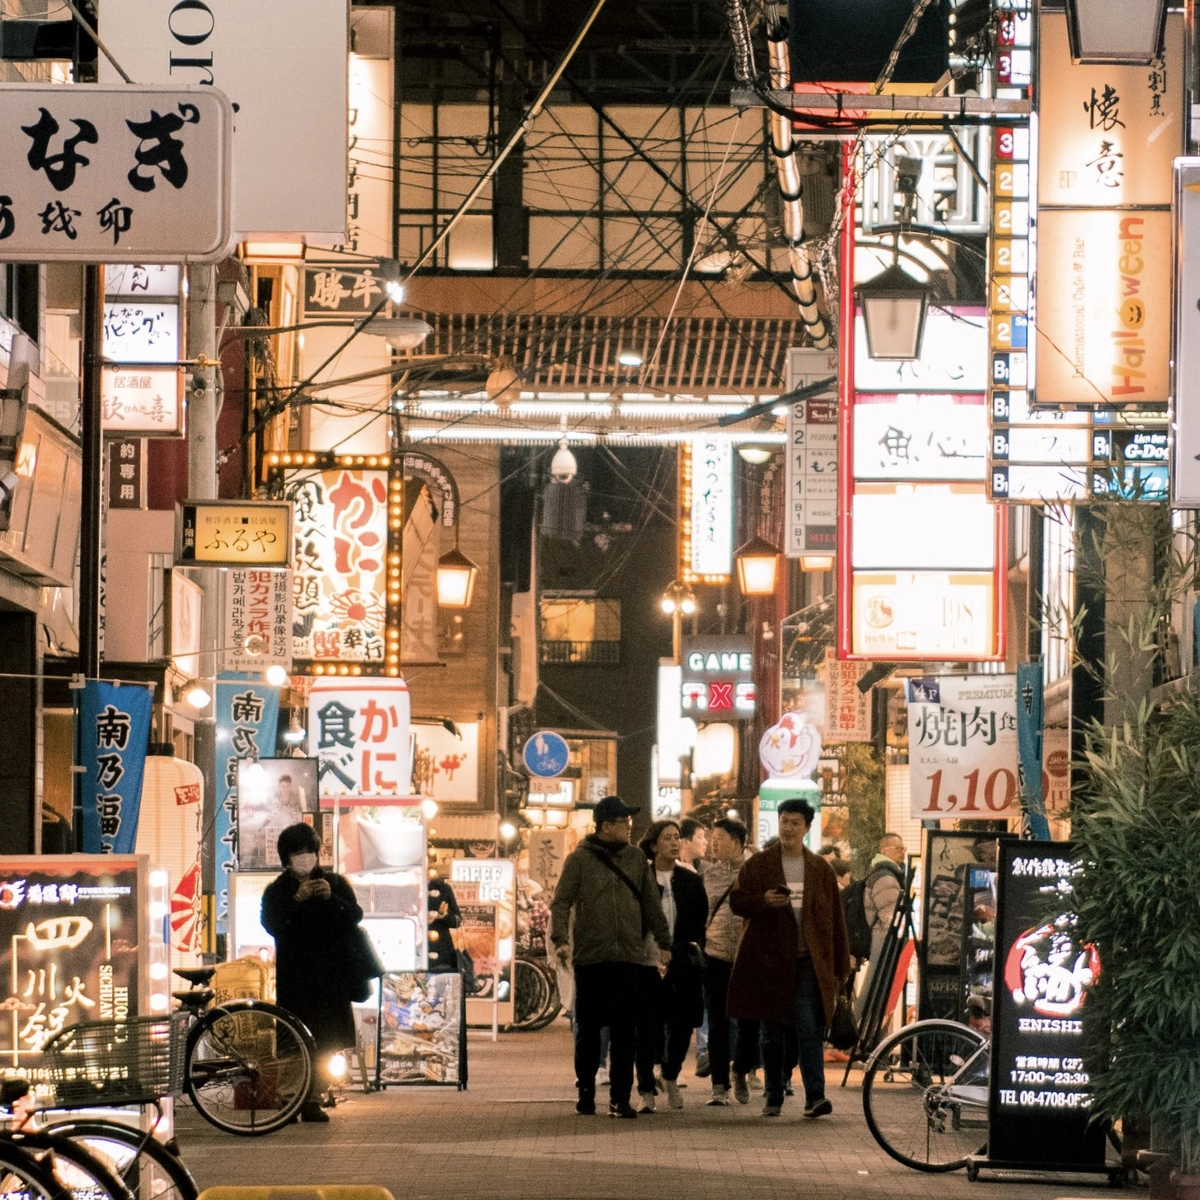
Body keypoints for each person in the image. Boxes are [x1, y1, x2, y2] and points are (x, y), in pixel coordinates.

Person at [728, 798, 850, 1118]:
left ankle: (815, 1096)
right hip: (771, 961)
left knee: (809, 1027)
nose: (788, 827)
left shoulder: (821, 869)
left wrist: (841, 965)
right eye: (784, 820)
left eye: (795, 822)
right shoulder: (759, 865)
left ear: (807, 827)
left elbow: (836, 919)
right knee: (773, 1030)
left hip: (808, 960)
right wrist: (762, 901)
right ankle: (773, 1095)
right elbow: (737, 901)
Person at [550, 795, 671, 1119]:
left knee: (624, 1030)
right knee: (588, 1029)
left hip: (629, 955)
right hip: (592, 956)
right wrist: (560, 939)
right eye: (624, 822)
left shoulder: (635, 860)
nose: (630, 828)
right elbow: (561, 902)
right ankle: (586, 1091)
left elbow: (649, 902)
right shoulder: (579, 860)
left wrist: (664, 940)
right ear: (606, 826)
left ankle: (620, 1098)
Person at [261, 822, 366, 1122]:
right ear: (286, 857)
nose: (305, 858)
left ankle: (313, 1098)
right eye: (298, 853)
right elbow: (272, 924)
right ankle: (289, 1098)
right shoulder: (278, 891)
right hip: (296, 977)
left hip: (331, 976)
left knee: (326, 1040)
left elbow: (355, 916)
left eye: (309, 851)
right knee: (294, 1040)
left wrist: (331, 897)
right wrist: (298, 900)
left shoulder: (335, 883)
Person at [634, 819, 707, 1112]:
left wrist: (682, 948)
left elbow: (699, 919)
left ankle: (670, 1074)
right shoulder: (642, 878)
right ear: (653, 845)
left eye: (677, 837)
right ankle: (645, 1090)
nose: (675, 843)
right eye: (667, 838)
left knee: (681, 1024)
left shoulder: (689, 879)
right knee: (646, 1026)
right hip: (646, 959)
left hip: (681, 961)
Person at [700, 815, 753, 1106]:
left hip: (747, 954)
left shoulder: (755, 871)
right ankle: (718, 1085)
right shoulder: (708, 874)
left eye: (718, 841)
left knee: (747, 1021)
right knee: (718, 1021)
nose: (712, 846)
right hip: (715, 954)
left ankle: (740, 1070)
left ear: (736, 842)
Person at [864, 833, 906, 963]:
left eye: (903, 848)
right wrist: (897, 944)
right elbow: (890, 918)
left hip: (880, 942)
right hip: (883, 943)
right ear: (884, 851)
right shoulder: (886, 879)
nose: (902, 852)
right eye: (898, 849)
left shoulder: (884, 874)